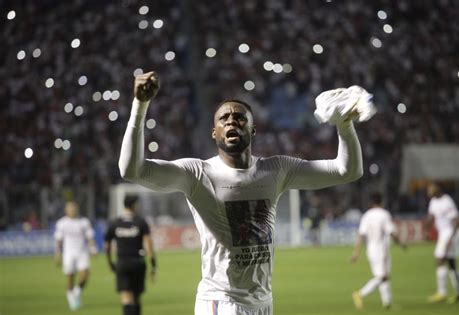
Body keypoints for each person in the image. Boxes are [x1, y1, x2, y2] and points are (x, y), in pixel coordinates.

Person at [119, 71, 363, 315]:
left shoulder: (276, 169)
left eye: (239, 117)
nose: (231, 121)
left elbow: (347, 171)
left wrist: (344, 125)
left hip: (262, 303)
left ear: (253, 130)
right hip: (220, 302)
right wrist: (140, 106)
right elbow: (132, 170)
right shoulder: (197, 173)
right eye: (223, 118)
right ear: (214, 132)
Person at [350, 192, 406, 310]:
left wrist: (356, 253)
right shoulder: (384, 214)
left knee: (381, 275)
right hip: (381, 249)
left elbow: (361, 235)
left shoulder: (366, 215)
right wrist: (401, 243)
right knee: (383, 276)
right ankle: (360, 294)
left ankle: (387, 303)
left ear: (371, 203)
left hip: (371, 250)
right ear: (382, 202)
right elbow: (391, 232)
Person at [104, 195, 157, 315]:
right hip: (138, 263)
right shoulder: (141, 222)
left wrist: (110, 263)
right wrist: (153, 265)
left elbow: (107, 246)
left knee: (126, 297)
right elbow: (149, 245)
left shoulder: (115, 223)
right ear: (134, 205)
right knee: (137, 297)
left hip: (122, 263)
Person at [424, 182, 459, 303]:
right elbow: (431, 217)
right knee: (451, 263)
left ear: (438, 188)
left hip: (450, 233)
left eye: (431, 188)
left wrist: (450, 238)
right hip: (443, 234)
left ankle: (442, 292)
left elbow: (457, 221)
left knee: (439, 259)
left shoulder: (447, 201)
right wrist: (426, 230)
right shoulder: (433, 202)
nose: (429, 190)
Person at [54, 201, 97, 311]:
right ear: (66, 210)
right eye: (70, 208)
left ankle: (76, 292)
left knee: (85, 274)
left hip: (82, 252)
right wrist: (57, 253)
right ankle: (70, 297)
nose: (73, 210)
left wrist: (93, 249)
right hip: (69, 254)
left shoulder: (84, 222)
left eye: (74, 208)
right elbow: (59, 240)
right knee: (70, 278)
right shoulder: (62, 223)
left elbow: (89, 237)